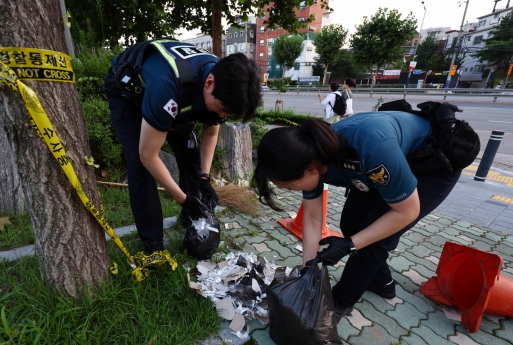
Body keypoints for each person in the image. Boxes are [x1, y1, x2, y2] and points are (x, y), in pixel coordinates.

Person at [252, 106, 461, 322]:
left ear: (311, 170)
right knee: (352, 225)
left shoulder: (368, 151)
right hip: (387, 163)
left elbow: (407, 211)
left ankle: (338, 303)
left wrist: (349, 245)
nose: (290, 191)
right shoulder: (308, 156)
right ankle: (381, 282)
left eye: (288, 187)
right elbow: (313, 217)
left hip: (434, 160)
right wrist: (308, 269)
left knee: (374, 240)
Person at [104, 39, 262, 254]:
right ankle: (153, 244)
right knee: (140, 166)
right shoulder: (168, 86)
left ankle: (191, 219)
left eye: (228, 113)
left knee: (190, 155)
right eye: (222, 108)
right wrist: (182, 198)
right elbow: (148, 155)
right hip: (128, 89)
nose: (222, 115)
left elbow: (211, 129)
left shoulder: (224, 80)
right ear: (209, 83)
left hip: (175, 96)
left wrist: (204, 178)